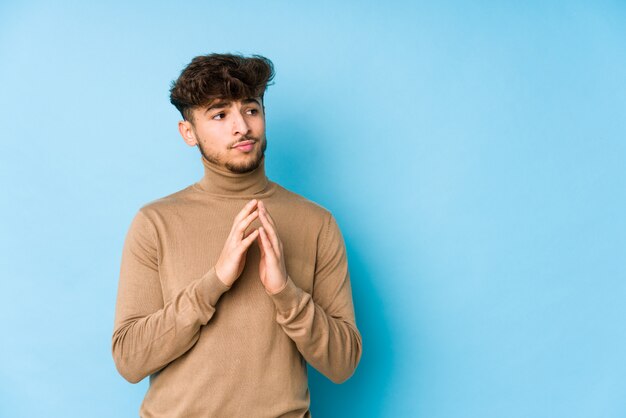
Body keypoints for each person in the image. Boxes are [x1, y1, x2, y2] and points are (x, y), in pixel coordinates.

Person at [111, 53, 362, 417]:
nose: (241, 127)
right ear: (188, 132)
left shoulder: (316, 223)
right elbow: (130, 360)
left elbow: (343, 364)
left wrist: (285, 293)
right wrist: (213, 283)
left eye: (251, 110)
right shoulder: (155, 223)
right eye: (219, 114)